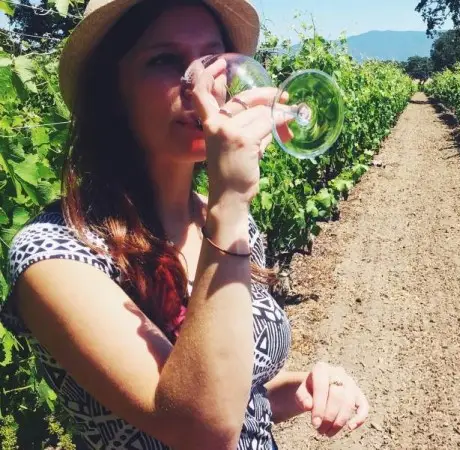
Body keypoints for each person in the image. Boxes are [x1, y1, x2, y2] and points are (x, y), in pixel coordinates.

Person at [0, 0, 369, 449]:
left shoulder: (227, 223)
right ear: (112, 92)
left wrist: (300, 389)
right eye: (165, 60)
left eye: (211, 60)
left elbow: (237, 395)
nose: (199, 85)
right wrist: (230, 201)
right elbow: (201, 429)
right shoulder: (56, 253)